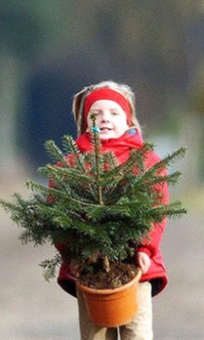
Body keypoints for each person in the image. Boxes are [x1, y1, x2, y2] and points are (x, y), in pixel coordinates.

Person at [56, 80, 170, 340]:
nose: (104, 119)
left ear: (128, 120)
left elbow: (156, 209)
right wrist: (75, 253)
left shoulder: (144, 161)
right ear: (86, 123)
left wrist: (145, 248)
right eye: (95, 114)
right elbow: (59, 212)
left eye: (113, 113)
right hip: (90, 270)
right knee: (96, 335)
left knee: (137, 333)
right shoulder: (74, 164)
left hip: (136, 267)